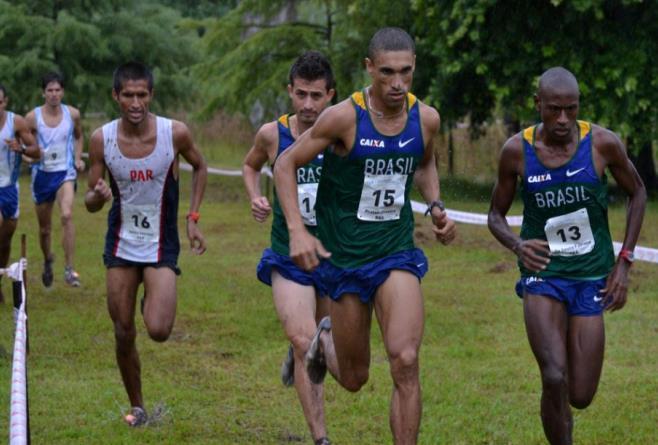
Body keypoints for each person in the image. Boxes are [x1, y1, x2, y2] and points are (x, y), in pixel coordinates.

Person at [274, 28, 456, 445]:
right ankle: (322, 338)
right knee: (355, 378)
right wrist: (298, 231)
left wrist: (437, 206)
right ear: (369, 68)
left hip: (395, 253)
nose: (397, 84)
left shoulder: (425, 118)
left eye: (406, 73)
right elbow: (285, 164)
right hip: (346, 260)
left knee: (406, 360)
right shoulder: (342, 117)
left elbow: (424, 164)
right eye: (387, 72)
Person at [487, 67, 646, 445]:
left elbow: (638, 192)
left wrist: (623, 262)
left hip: (591, 275)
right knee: (554, 375)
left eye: (571, 109)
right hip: (542, 276)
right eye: (554, 109)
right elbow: (495, 215)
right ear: (537, 104)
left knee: (580, 394)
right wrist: (517, 245)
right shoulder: (517, 151)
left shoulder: (602, 144)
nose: (562, 119)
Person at [84, 61, 207, 426]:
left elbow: (200, 166)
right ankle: (138, 406)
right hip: (121, 244)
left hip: (161, 244)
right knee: (123, 331)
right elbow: (90, 201)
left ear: (151, 95)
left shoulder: (175, 133)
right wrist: (99, 195)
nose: (135, 103)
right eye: (128, 95)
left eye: (142, 95)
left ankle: (150, 296)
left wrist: (193, 218)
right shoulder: (100, 139)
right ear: (116, 96)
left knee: (158, 329)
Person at [242, 51, 335, 445]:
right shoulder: (271, 134)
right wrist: (255, 196)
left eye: (317, 95)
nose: (308, 105)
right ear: (290, 92)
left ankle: (301, 344)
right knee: (306, 344)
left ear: (331, 95)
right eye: (301, 95)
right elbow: (250, 166)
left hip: (336, 255)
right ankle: (321, 438)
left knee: (328, 348)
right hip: (288, 254)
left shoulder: (344, 132)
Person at [25, 72, 85, 287]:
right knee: (45, 229)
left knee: (67, 215)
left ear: (63, 92)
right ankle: (48, 259)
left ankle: (69, 269)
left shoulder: (73, 114)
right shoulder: (32, 117)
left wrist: (78, 159)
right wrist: (28, 156)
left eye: (57, 90)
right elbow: (23, 145)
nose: (53, 94)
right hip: (42, 176)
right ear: (43, 93)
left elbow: (79, 137)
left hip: (65, 173)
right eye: (49, 90)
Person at [0, 85, 40, 302]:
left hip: (9, 189)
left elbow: (37, 151)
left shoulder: (16, 123)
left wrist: (21, 148)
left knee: (4, 242)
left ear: (5, 102)